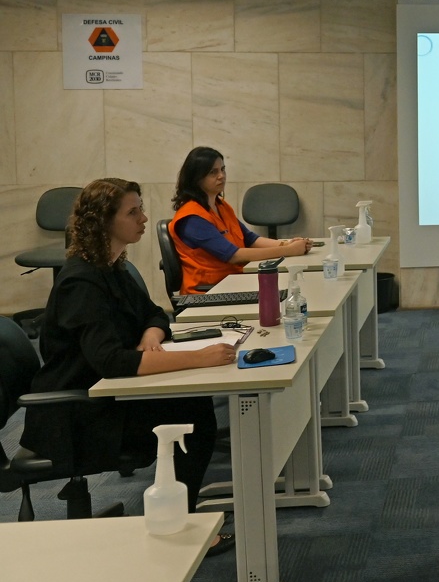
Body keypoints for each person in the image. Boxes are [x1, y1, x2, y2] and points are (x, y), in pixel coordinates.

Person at [19, 178, 238, 554]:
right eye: (132, 212)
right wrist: (200, 357)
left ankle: (181, 517)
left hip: (104, 396)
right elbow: (111, 361)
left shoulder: (111, 267)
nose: (143, 218)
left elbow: (155, 313)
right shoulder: (81, 282)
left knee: (192, 406)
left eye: (141, 209)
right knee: (191, 415)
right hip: (76, 415)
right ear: (104, 222)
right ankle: (179, 528)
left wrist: (151, 335)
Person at [170, 146, 311, 294]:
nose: (221, 176)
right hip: (207, 293)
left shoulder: (221, 206)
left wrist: (288, 243)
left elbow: (250, 239)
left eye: (223, 169)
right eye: (213, 172)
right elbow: (233, 255)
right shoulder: (192, 218)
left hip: (231, 282)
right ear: (196, 178)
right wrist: (288, 250)